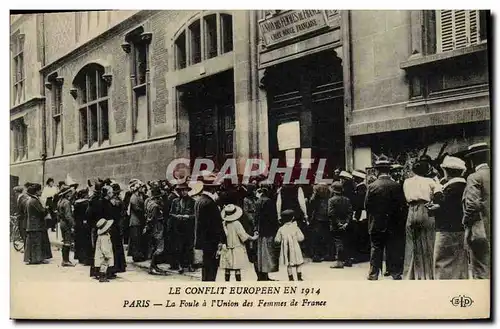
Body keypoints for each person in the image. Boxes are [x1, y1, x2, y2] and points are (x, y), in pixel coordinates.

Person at [365, 156, 406, 280]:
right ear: (389, 171)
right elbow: (402, 206)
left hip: (377, 223)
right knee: (393, 247)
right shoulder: (397, 186)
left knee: (376, 248)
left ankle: (373, 274)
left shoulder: (372, 186)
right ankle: (396, 273)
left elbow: (367, 206)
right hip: (394, 223)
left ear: (377, 171)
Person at [402, 155, 442, 280]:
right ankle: (428, 275)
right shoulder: (430, 181)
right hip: (425, 209)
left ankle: (411, 274)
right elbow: (439, 195)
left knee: (411, 244)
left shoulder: (407, 182)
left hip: (411, 210)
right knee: (428, 242)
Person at [431, 156, 468, 279]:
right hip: (461, 228)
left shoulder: (450, 188)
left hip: (446, 229)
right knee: (459, 261)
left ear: (446, 171)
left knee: (441, 261)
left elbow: (442, 206)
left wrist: (436, 191)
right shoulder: (463, 185)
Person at [462, 143, 490, 279]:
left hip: (481, 228)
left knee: (480, 268)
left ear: (472, 160)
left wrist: (465, 222)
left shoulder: (474, 177)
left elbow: (472, 205)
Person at [194, 172, 225, 281]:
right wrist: (222, 240)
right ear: (213, 189)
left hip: (203, 240)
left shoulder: (199, 201)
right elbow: (216, 225)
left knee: (206, 266)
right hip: (211, 241)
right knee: (212, 267)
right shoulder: (210, 203)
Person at [219, 204, 259, 281]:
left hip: (226, 248)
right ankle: (238, 284)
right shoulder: (236, 223)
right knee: (237, 268)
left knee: (227, 268)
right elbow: (243, 235)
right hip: (237, 248)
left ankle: (227, 283)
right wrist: (254, 238)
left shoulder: (224, 223)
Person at [254, 183, 280, 281]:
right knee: (268, 254)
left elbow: (255, 218)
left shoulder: (258, 201)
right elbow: (273, 218)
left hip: (260, 231)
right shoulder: (270, 202)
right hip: (269, 232)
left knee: (261, 255)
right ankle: (265, 276)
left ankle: (262, 276)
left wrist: (256, 229)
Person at [169, 181, 196, 273]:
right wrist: (177, 216)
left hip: (189, 227)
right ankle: (180, 265)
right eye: (181, 191)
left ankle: (190, 265)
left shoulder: (193, 202)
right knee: (179, 247)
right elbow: (171, 213)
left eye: (185, 190)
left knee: (189, 247)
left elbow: (196, 215)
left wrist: (188, 217)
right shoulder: (175, 201)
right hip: (178, 228)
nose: (183, 192)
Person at [24, 183, 53, 265]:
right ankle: (37, 259)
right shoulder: (34, 200)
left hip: (32, 224)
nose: (41, 192)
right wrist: (46, 209)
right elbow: (41, 211)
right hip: (36, 225)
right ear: (36, 192)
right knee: (37, 242)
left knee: (33, 243)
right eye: (40, 190)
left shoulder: (31, 200)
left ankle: (34, 258)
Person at [144, 180, 168, 275]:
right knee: (159, 248)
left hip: (153, 227)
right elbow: (153, 218)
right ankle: (152, 266)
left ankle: (154, 266)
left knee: (155, 247)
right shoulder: (155, 206)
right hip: (157, 227)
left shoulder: (148, 202)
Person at [328, 181, 353, 269]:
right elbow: (350, 212)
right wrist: (346, 223)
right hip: (346, 224)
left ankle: (339, 262)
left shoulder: (331, 200)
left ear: (333, 190)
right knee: (346, 241)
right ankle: (348, 260)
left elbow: (331, 214)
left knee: (338, 242)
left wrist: (338, 223)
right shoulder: (347, 199)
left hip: (335, 225)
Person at [275, 210, 305, 281]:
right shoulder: (295, 227)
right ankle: (299, 277)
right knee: (299, 263)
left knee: (289, 264)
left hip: (286, 250)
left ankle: (290, 278)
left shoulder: (281, 229)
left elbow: (277, 240)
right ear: (292, 218)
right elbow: (301, 237)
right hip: (295, 248)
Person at [309, 182, 331, 262]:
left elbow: (311, 204)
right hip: (327, 218)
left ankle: (316, 255)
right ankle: (327, 254)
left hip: (318, 218)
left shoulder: (316, 197)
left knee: (316, 237)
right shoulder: (329, 195)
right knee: (327, 237)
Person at [107, 184, 127, 276]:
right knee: (119, 245)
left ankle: (115, 265)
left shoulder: (110, 202)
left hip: (112, 225)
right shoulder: (120, 202)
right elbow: (123, 214)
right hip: (119, 225)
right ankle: (120, 265)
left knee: (113, 246)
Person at [57, 186, 76, 267]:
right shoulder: (67, 202)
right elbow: (68, 216)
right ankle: (66, 260)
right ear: (67, 193)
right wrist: (73, 224)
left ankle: (64, 260)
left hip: (62, 222)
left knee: (65, 241)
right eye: (70, 192)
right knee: (67, 242)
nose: (71, 193)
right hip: (66, 223)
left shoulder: (60, 201)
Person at [128, 180, 146, 262]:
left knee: (138, 239)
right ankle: (136, 255)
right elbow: (137, 209)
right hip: (135, 221)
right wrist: (144, 212)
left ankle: (138, 254)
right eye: (141, 187)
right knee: (136, 239)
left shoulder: (138, 196)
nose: (142, 189)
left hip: (138, 221)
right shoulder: (134, 197)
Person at [73, 189, 92, 265]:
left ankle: (80, 257)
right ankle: (86, 258)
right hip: (85, 224)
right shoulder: (86, 203)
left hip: (78, 224)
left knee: (79, 241)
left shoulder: (76, 203)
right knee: (85, 241)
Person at [94, 218, 115, 283]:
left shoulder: (103, 235)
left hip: (101, 253)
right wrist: (107, 254)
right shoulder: (104, 237)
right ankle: (102, 277)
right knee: (104, 265)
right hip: (103, 255)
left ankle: (100, 275)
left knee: (102, 265)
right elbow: (104, 247)